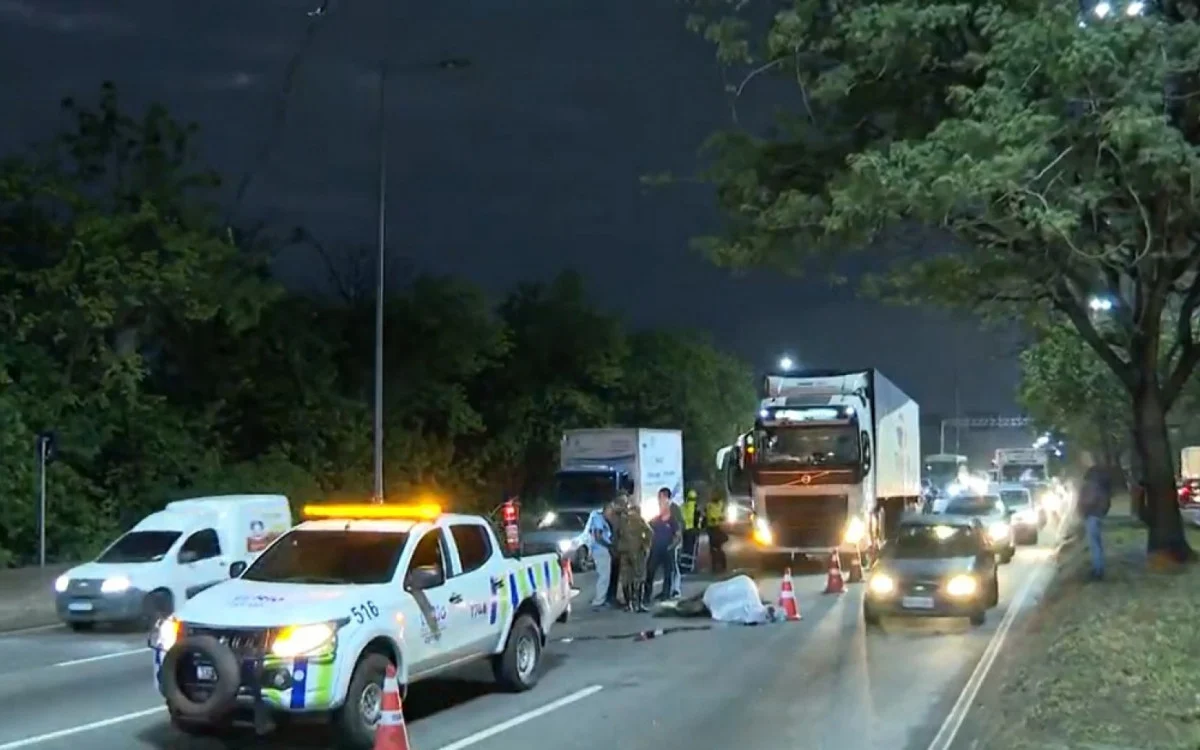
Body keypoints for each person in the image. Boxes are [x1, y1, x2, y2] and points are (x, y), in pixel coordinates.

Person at [1076, 456, 1113, 580]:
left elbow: (1089, 500)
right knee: (1097, 544)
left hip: (1092, 515)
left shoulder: (1092, 484)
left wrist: (1082, 510)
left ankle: (1097, 571)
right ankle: (1098, 568)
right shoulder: (1100, 484)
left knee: (1094, 544)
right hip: (1097, 515)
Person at [616, 493, 653, 611]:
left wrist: (645, 545)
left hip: (631, 551)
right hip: (630, 552)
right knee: (631, 578)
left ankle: (634, 604)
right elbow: (649, 532)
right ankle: (634, 604)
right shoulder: (625, 518)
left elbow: (649, 532)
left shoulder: (627, 518)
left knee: (635, 577)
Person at [646, 489, 681, 601]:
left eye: (663, 502)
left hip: (667, 550)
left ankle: (666, 594)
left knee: (668, 573)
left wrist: (672, 546)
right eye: (660, 503)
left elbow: (678, 535)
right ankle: (647, 595)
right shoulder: (655, 520)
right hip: (655, 550)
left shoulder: (673, 520)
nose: (661, 505)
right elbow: (647, 531)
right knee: (650, 571)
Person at [585, 502, 615, 609]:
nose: (611, 514)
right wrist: (608, 545)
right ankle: (599, 601)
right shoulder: (598, 519)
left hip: (600, 550)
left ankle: (599, 599)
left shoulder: (601, 519)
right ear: (606, 510)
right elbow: (598, 536)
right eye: (610, 511)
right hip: (601, 550)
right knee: (604, 576)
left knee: (603, 575)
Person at [704, 493, 727, 574]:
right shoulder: (709, 505)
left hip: (718, 527)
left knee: (718, 547)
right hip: (711, 528)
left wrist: (721, 518)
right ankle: (714, 565)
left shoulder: (720, 504)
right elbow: (706, 514)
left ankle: (722, 564)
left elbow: (723, 514)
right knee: (713, 548)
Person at [680, 489, 700, 574]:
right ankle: (691, 567)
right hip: (692, 531)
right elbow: (697, 520)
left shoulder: (683, 506)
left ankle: (683, 566)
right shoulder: (695, 507)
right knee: (692, 549)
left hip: (685, 531)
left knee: (685, 549)